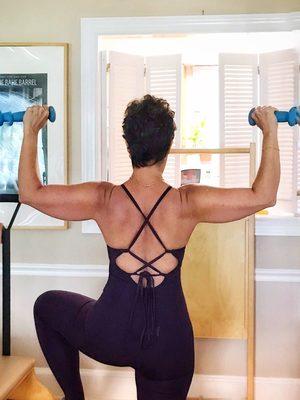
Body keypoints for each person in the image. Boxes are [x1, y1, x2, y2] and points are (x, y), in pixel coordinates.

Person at [18, 95, 280, 400]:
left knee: (47, 305)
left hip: (109, 332)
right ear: (169, 145)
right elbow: (264, 196)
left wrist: (31, 131)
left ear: (128, 144)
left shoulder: (102, 199)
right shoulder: (188, 202)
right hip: (168, 345)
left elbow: (30, 192)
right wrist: (270, 131)